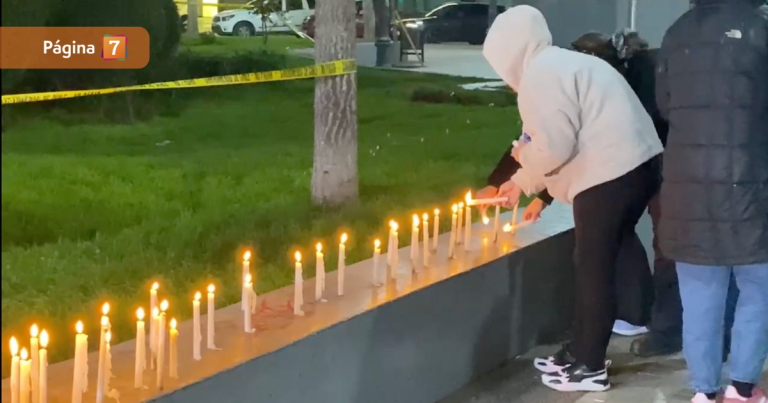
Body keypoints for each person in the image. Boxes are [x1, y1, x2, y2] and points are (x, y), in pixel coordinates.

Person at [483, 5, 663, 392]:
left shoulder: (541, 75)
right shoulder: (562, 62)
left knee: (591, 270)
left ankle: (588, 365)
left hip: (611, 175)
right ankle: (580, 350)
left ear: (507, 53)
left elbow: (552, 145)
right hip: (636, 167)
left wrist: (524, 169)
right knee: (599, 261)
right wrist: (519, 181)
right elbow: (558, 136)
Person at [655, 0, 768, 402]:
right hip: (752, 183)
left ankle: (703, 391)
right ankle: (742, 388)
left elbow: (666, 104)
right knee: (758, 288)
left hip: (687, 184)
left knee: (700, 294)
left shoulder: (677, 31)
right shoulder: (761, 28)